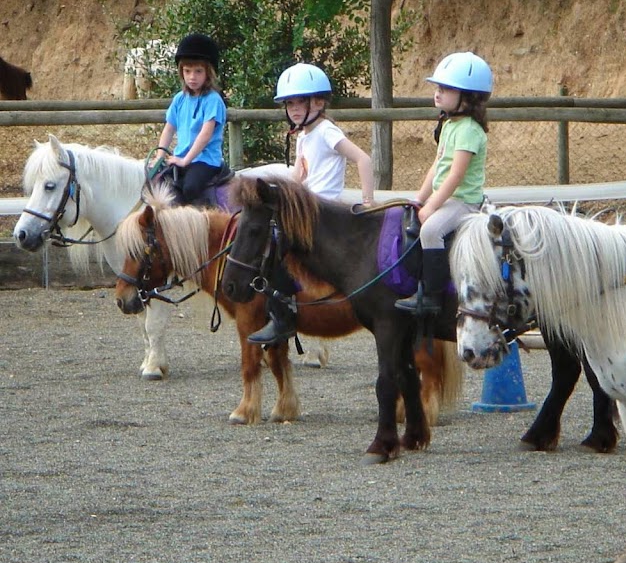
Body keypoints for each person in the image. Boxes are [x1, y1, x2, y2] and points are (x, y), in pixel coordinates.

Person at [247, 63, 376, 345]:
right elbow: (298, 177)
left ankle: (284, 317)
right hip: (307, 208)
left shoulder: (327, 131)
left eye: (300, 102)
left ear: (318, 102)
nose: (293, 109)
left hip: (323, 211)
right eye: (289, 103)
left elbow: (363, 159)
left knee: (276, 250)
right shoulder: (304, 135)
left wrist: (368, 203)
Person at [395, 51, 492, 315]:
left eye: (446, 89)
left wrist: (431, 207)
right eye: (438, 88)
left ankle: (432, 296)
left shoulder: (470, 131)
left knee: (430, 231)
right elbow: (437, 166)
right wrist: (419, 198)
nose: (437, 93)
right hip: (446, 198)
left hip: (463, 202)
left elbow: (455, 176)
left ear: (468, 96)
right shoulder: (449, 125)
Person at [152, 33, 226, 206]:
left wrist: (186, 160)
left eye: (198, 71)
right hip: (180, 157)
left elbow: (205, 134)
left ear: (208, 73)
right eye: (187, 71)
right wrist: (160, 155)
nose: (192, 77)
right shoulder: (179, 99)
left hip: (205, 160)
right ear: (181, 72)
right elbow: (169, 129)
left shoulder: (213, 100)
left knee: (190, 187)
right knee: (160, 184)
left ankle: (202, 224)